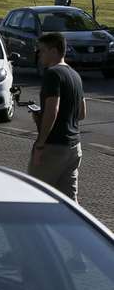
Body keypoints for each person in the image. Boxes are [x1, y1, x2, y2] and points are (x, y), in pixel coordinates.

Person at [29, 32, 86, 201]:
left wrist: (40, 145)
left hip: (53, 147)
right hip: (74, 147)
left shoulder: (52, 74)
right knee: (69, 202)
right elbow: (82, 113)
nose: (39, 55)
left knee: (35, 196)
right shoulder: (75, 76)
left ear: (54, 51)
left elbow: (53, 110)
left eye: (42, 50)